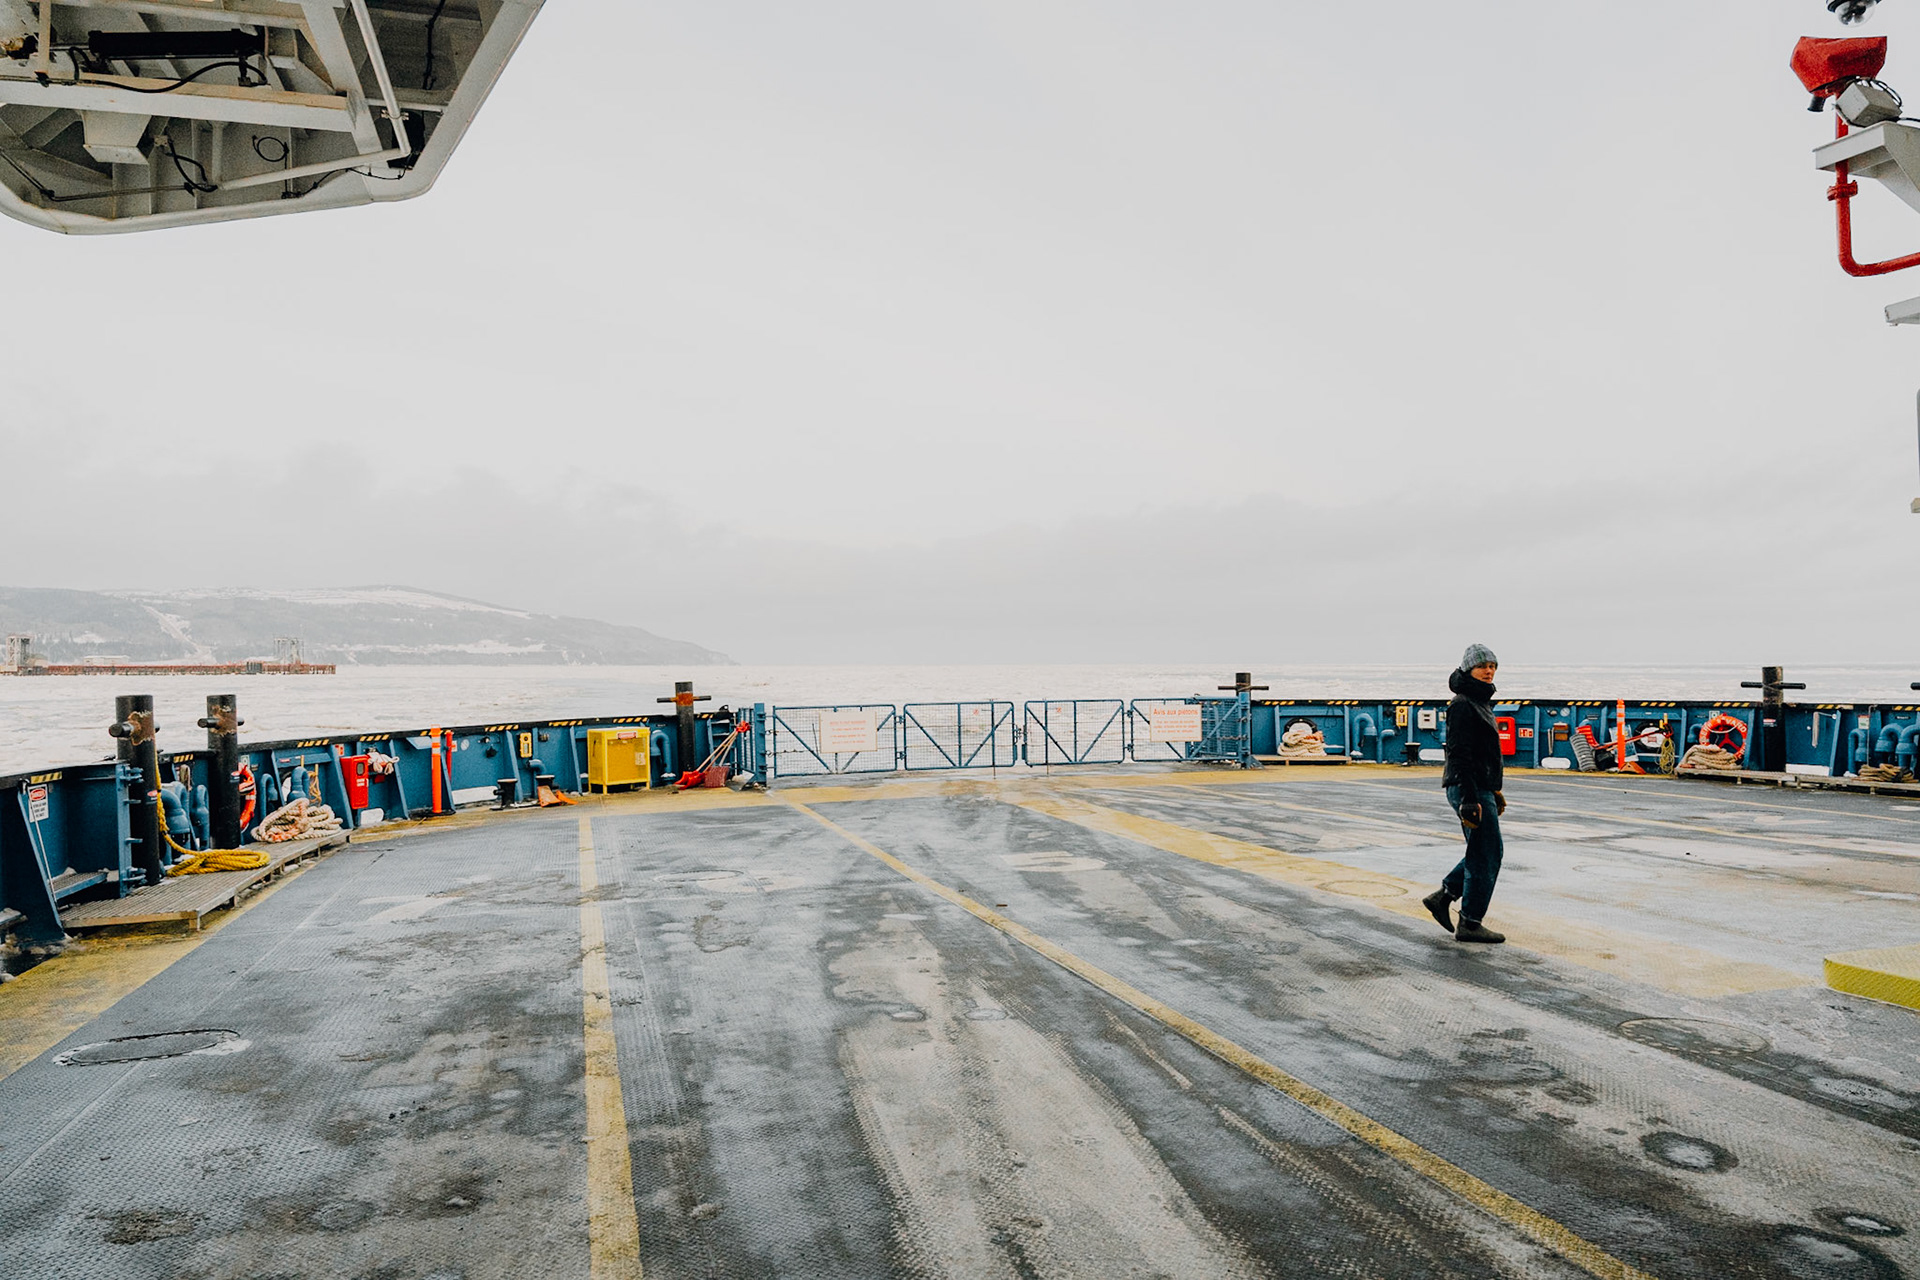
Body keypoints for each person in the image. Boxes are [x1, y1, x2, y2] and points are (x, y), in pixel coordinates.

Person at [1422, 643, 1507, 944]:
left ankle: (1443, 896)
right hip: (1467, 787)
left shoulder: (1479, 701)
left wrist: (1493, 790)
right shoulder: (1462, 704)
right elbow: (1460, 753)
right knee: (1487, 852)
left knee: (1485, 850)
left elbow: (1482, 754)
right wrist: (1470, 799)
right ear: (1468, 669)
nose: (1488, 671)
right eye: (1483, 666)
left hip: (1478, 786)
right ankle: (1470, 922)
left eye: (1493, 666)